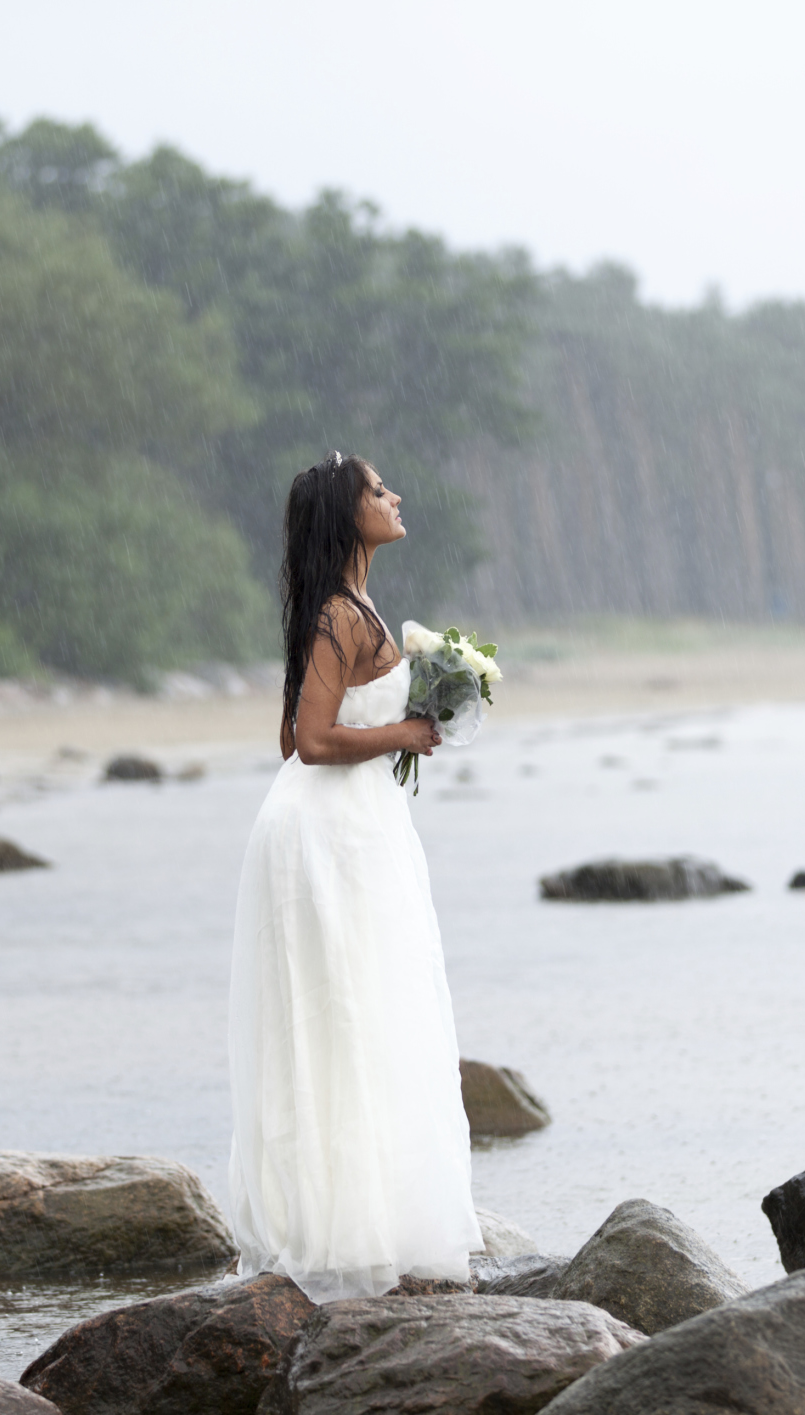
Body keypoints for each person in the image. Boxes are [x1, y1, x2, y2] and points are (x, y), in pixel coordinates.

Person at [225, 450, 481, 1302]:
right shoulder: (340, 612)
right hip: (323, 831)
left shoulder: (353, 605)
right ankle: (335, 1228)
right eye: (379, 490)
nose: (396, 496)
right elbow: (310, 739)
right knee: (337, 1014)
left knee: (364, 1012)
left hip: (352, 824)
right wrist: (405, 735)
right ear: (348, 511)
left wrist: (413, 723)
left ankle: (359, 1215)